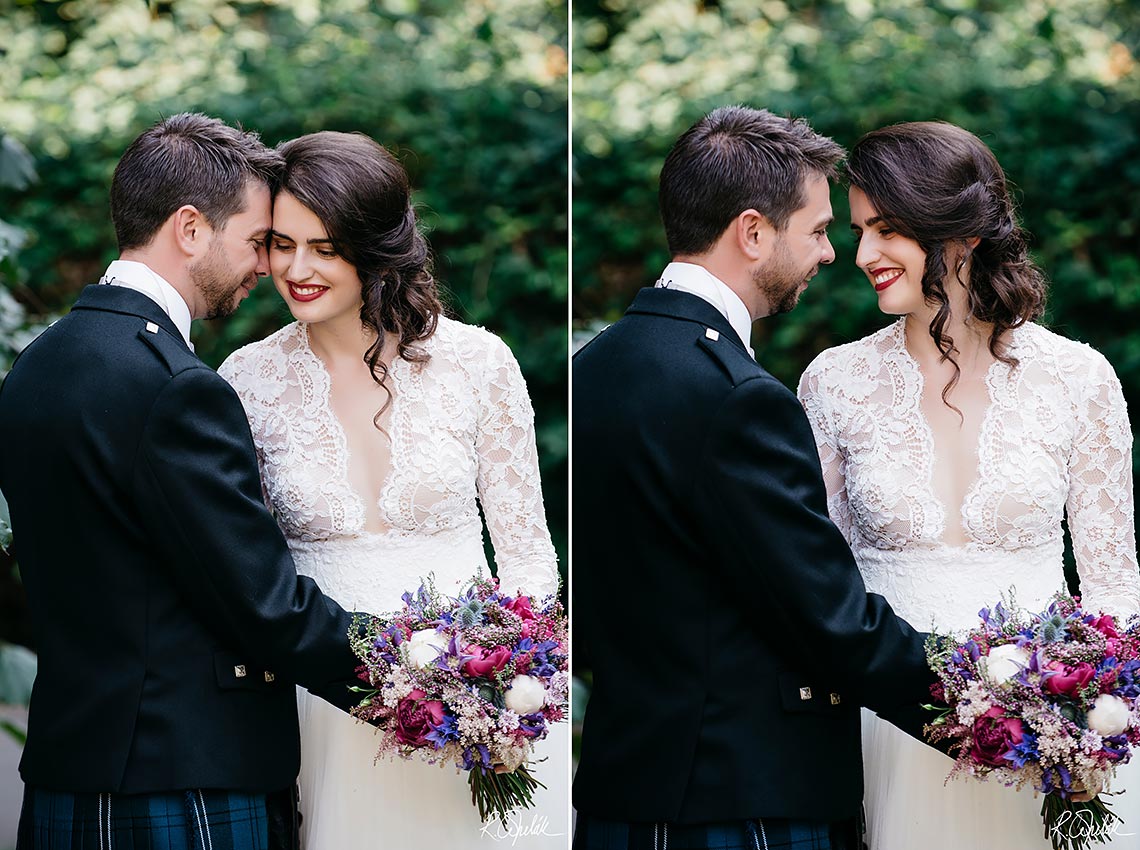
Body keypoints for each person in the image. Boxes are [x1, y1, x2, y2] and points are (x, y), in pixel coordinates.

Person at [572, 105, 936, 850]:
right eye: (817, 229)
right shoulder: (737, 398)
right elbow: (827, 618)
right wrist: (998, 704)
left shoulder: (592, 368)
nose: (832, 254)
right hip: (743, 799)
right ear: (752, 231)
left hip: (625, 790)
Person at [0, 114, 365, 849]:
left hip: (75, 766)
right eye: (257, 239)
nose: (265, 265)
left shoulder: (38, 365)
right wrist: (421, 675)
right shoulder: (173, 387)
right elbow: (262, 601)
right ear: (191, 228)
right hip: (185, 773)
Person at [217, 130, 566, 848]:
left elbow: (528, 553)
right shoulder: (245, 381)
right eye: (282, 244)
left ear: (374, 247)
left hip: (483, 700)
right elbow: (246, 572)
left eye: (325, 247)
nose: (298, 269)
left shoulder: (479, 363)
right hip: (325, 708)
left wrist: (515, 684)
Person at [797, 120, 1140, 849]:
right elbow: (819, 578)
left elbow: (1113, 584)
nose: (863, 255)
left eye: (887, 229)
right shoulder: (834, 383)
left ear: (962, 235)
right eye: (859, 231)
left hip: (1052, 728)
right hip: (891, 727)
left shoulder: (1079, 380)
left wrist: (1094, 711)